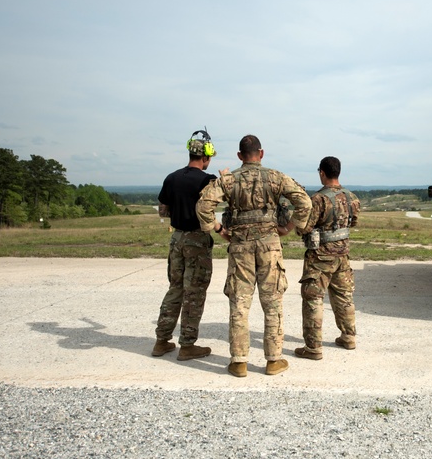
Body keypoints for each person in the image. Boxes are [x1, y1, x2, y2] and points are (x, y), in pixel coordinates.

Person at [196, 134, 311, 378]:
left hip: (240, 247)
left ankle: (239, 362)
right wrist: (288, 228)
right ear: (261, 154)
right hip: (270, 245)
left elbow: (203, 206)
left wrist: (219, 230)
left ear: (240, 156)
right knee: (272, 303)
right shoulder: (276, 176)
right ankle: (273, 360)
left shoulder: (228, 180)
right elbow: (305, 203)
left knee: (239, 304)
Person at [151, 130, 219, 362]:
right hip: (197, 239)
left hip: (176, 239)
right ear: (206, 157)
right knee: (195, 291)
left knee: (175, 288)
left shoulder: (171, 178)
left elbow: (163, 210)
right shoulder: (206, 180)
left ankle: (162, 340)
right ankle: (187, 345)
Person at [294, 156, 360, 360]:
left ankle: (313, 347)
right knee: (344, 296)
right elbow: (353, 222)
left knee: (313, 298)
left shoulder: (318, 199)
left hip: (320, 257)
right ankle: (348, 337)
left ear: (322, 172)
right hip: (343, 255)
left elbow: (304, 227)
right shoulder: (352, 197)